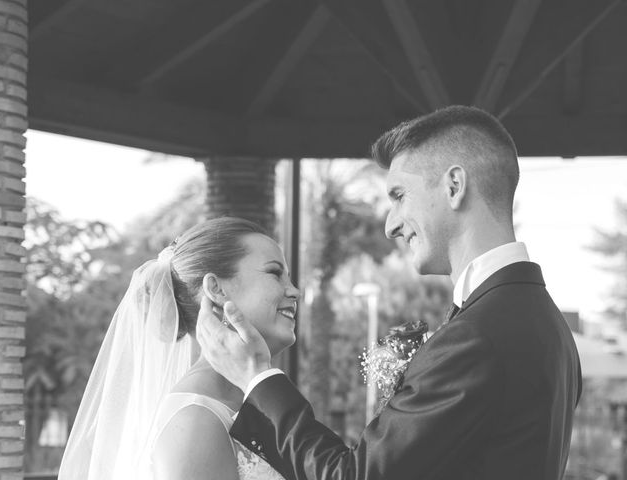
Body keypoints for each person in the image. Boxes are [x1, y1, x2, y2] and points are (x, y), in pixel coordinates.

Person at [198, 106, 583, 480]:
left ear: (454, 186)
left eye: (399, 195)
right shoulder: (548, 323)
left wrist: (256, 375)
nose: (390, 225)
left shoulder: (478, 336)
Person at [58, 217, 298, 480]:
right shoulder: (196, 419)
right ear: (216, 289)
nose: (295, 291)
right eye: (275, 273)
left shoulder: (255, 402)